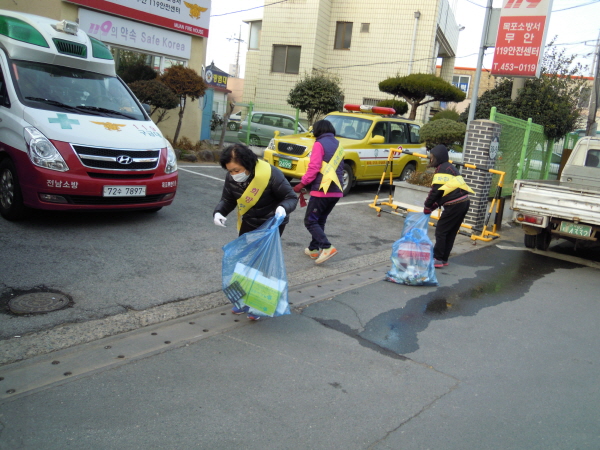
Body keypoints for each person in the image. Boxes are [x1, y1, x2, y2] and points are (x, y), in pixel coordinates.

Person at [213, 143, 297, 319]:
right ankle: (240, 300)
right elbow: (228, 199)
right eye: (230, 171)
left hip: (271, 223)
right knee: (243, 260)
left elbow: (290, 197)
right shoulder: (232, 178)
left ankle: (257, 304)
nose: (234, 175)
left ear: (248, 164)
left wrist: (283, 208)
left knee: (260, 262)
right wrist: (219, 212)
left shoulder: (270, 174)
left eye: (237, 170)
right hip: (249, 220)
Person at [293, 119, 344, 264]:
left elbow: (314, 168)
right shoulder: (339, 145)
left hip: (322, 190)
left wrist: (301, 184)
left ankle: (327, 247)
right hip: (336, 191)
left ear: (318, 130)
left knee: (310, 221)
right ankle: (314, 249)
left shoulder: (319, 144)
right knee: (319, 220)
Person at [423, 144, 473, 268]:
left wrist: (427, 205)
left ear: (438, 157)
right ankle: (444, 258)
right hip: (464, 202)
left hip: (454, 204)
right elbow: (445, 191)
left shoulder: (441, 169)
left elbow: (436, 191)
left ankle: (438, 259)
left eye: (432, 157)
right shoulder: (450, 167)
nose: (431, 159)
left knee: (441, 231)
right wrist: (433, 206)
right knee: (451, 232)